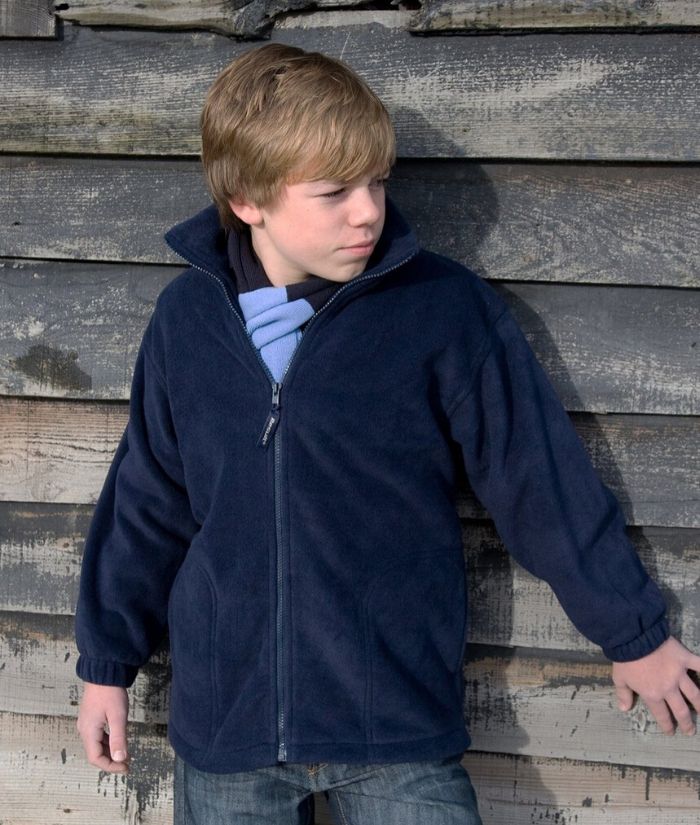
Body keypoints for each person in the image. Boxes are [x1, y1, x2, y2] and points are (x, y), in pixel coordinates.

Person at [75, 44, 700, 824]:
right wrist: (105, 664)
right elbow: (146, 501)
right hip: (230, 724)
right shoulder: (187, 322)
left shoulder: (441, 310)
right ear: (246, 198)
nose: (368, 211)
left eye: (378, 182)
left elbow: (537, 478)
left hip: (392, 720)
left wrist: (633, 631)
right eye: (334, 191)